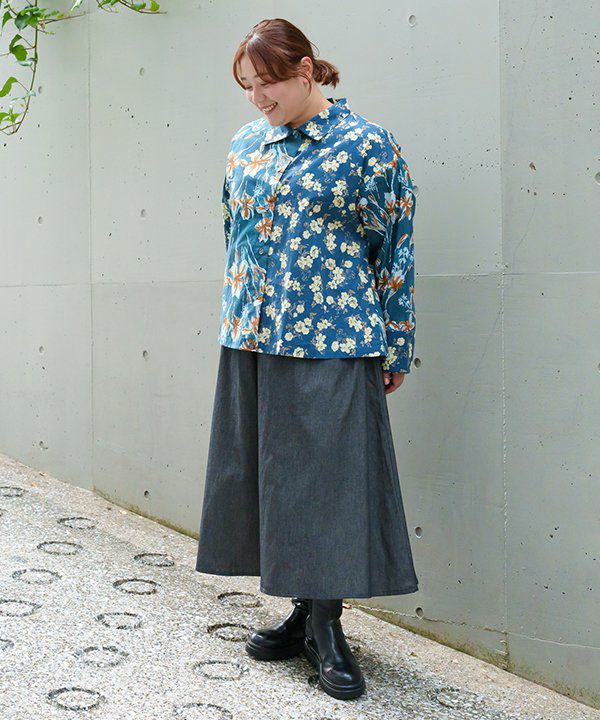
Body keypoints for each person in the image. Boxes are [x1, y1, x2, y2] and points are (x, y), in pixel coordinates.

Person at [195, 17, 419, 701]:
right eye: (245, 86)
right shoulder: (245, 145)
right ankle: (300, 613)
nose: (256, 98)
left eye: (265, 83)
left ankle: (327, 626)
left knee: (329, 484)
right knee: (273, 480)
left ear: (304, 70)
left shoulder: (366, 145)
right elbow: (233, 232)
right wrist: (241, 313)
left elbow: (394, 247)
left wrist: (396, 343)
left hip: (334, 337)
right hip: (253, 335)